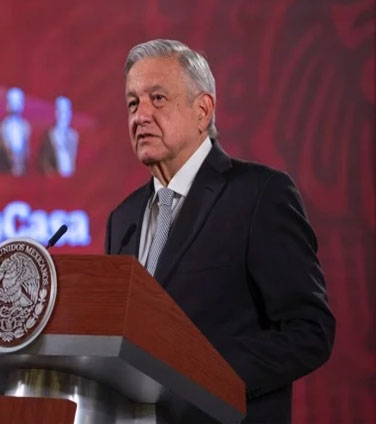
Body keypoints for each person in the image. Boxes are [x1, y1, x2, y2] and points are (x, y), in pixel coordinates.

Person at [105, 39, 335, 423]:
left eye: (157, 98)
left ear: (203, 110)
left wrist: (205, 374)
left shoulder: (260, 195)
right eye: (132, 103)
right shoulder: (122, 218)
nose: (140, 115)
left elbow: (310, 330)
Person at [0, 87, 31, 176]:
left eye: (17, 100)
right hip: (4, 174)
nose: (15, 104)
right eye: (12, 100)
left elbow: (28, 153)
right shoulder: (0, 127)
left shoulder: (25, 126)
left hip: (23, 176)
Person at [38, 96, 79, 177]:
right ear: (56, 113)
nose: (63, 116)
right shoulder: (49, 135)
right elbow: (43, 163)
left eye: (66, 112)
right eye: (60, 112)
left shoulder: (73, 136)